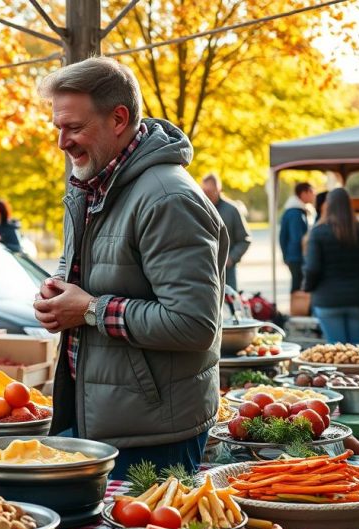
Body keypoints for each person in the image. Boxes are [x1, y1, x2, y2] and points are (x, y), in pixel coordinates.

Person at [32, 57, 227, 479]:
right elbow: (89, 275)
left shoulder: (167, 198)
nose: (62, 142)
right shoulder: (92, 183)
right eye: (58, 128)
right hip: (100, 420)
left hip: (152, 437)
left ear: (119, 118)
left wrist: (88, 310)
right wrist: (56, 295)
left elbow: (194, 323)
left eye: (74, 128)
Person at [303, 188, 359, 344]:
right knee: (357, 351)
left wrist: (307, 288)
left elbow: (312, 268)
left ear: (328, 206)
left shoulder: (318, 232)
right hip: (357, 298)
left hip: (327, 299)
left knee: (337, 351)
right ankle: (357, 370)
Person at [201, 173, 251, 290]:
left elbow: (245, 239)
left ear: (219, 189)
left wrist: (231, 258)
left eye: (210, 191)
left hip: (227, 271)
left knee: (230, 305)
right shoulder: (198, 208)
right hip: (204, 271)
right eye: (205, 191)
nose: (207, 195)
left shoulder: (232, 210)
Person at [280, 182, 315, 293]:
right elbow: (297, 239)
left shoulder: (297, 211)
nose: (314, 195)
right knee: (298, 287)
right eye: (311, 192)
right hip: (297, 257)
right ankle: (297, 310)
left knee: (298, 285)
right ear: (303, 193)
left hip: (294, 256)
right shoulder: (295, 213)